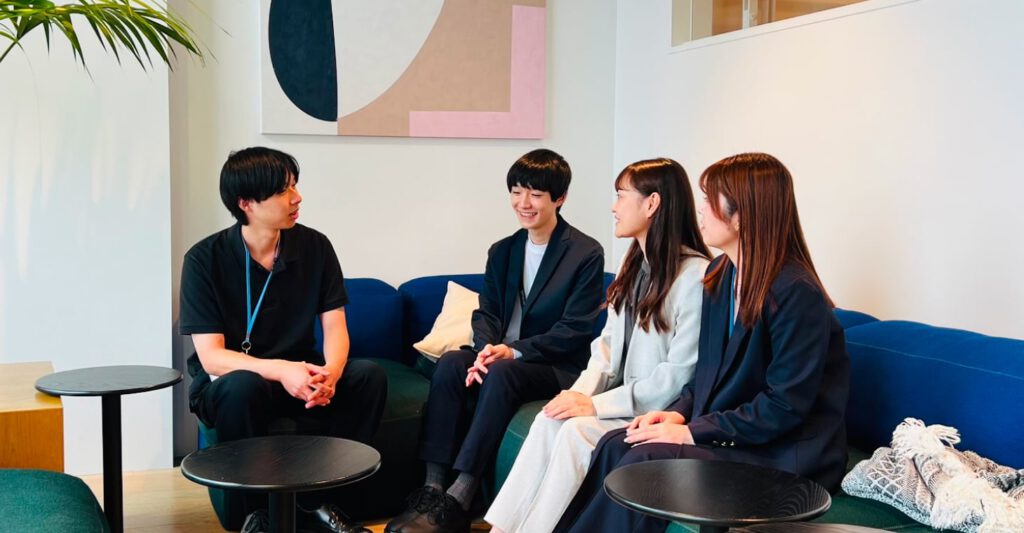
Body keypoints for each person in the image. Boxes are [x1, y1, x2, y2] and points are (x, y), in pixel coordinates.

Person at [557, 152, 851, 533]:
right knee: (616, 443)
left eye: (711, 200)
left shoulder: (796, 293)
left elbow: (783, 406)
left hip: (786, 452)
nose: (701, 210)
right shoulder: (720, 274)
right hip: (739, 437)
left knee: (646, 459)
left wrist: (694, 432)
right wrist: (679, 412)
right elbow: (707, 374)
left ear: (741, 215)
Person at [483, 158, 710, 533]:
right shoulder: (634, 266)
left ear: (651, 204)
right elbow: (604, 351)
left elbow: (676, 377)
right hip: (622, 401)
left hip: (657, 412)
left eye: (621, 196)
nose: (613, 207)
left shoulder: (695, 277)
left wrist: (595, 405)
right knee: (550, 418)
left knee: (575, 433)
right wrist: (577, 396)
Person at [386, 149, 605, 533]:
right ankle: (432, 489)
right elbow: (486, 312)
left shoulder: (585, 253)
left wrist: (513, 351)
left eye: (536, 194)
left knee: (503, 372)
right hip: (500, 354)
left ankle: (460, 497)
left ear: (560, 198)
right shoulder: (503, 251)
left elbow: (575, 329)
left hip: (554, 365)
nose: (524, 203)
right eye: (517, 191)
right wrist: (485, 350)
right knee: (452, 362)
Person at [179, 147, 387, 533]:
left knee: (367, 377)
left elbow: (335, 327)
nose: (297, 198)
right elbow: (212, 358)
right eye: (283, 191)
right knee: (242, 386)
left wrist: (331, 373)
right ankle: (256, 516)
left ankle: (320, 504)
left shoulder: (315, 246)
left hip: (300, 377)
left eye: (295, 186)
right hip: (232, 384)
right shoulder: (204, 259)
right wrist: (281, 370)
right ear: (246, 204)